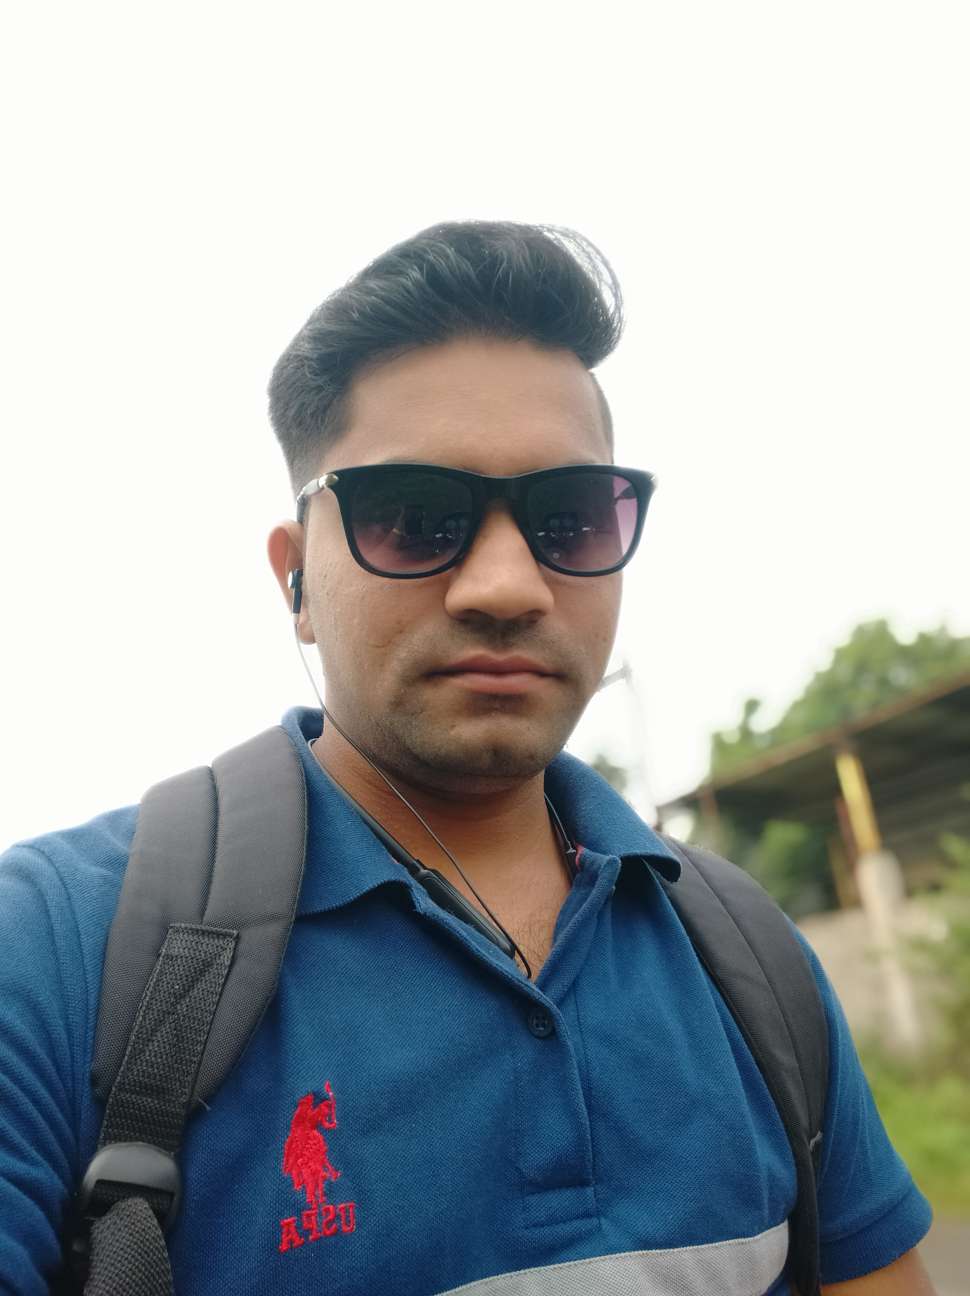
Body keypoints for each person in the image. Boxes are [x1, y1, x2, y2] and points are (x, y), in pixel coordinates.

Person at [0, 221, 936, 1296]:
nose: (507, 586)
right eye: (413, 517)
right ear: (296, 580)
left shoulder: (745, 956)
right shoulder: (55, 952)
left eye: (570, 519)